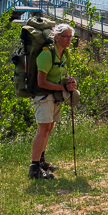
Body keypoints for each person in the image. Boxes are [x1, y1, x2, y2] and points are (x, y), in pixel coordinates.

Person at [29, 23, 78, 180]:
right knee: (42, 131)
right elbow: (41, 82)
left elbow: (65, 73)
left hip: (55, 96)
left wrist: (70, 83)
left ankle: (41, 162)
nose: (69, 39)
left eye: (71, 36)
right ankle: (34, 168)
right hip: (43, 96)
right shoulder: (46, 55)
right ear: (57, 38)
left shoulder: (64, 54)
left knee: (48, 129)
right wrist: (62, 87)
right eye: (66, 36)